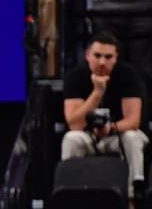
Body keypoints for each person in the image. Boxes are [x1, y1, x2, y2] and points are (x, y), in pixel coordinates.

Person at [61, 31, 148, 199]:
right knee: (71, 138)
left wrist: (111, 129)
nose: (102, 62)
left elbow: (133, 120)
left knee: (132, 137)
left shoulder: (128, 75)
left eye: (108, 57)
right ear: (87, 55)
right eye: (97, 55)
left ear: (116, 58)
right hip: (88, 135)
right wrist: (97, 92)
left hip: (117, 135)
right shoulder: (75, 77)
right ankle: (69, 195)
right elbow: (74, 123)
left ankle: (134, 196)